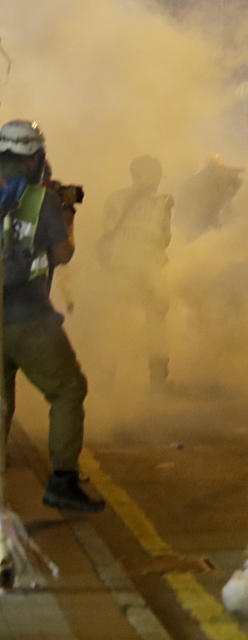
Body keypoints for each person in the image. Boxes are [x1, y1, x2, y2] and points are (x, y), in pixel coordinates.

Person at [0, 119, 103, 512]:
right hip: (28, 318)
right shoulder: (41, 200)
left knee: (2, 398)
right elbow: (64, 254)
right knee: (68, 389)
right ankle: (62, 481)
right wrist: (65, 210)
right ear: (34, 157)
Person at [100, 155, 173, 390]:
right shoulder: (153, 201)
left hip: (137, 269)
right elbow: (164, 239)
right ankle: (148, 381)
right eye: (153, 174)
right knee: (135, 323)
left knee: (143, 324)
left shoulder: (158, 202)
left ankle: (150, 380)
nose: (157, 179)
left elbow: (164, 238)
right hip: (134, 269)